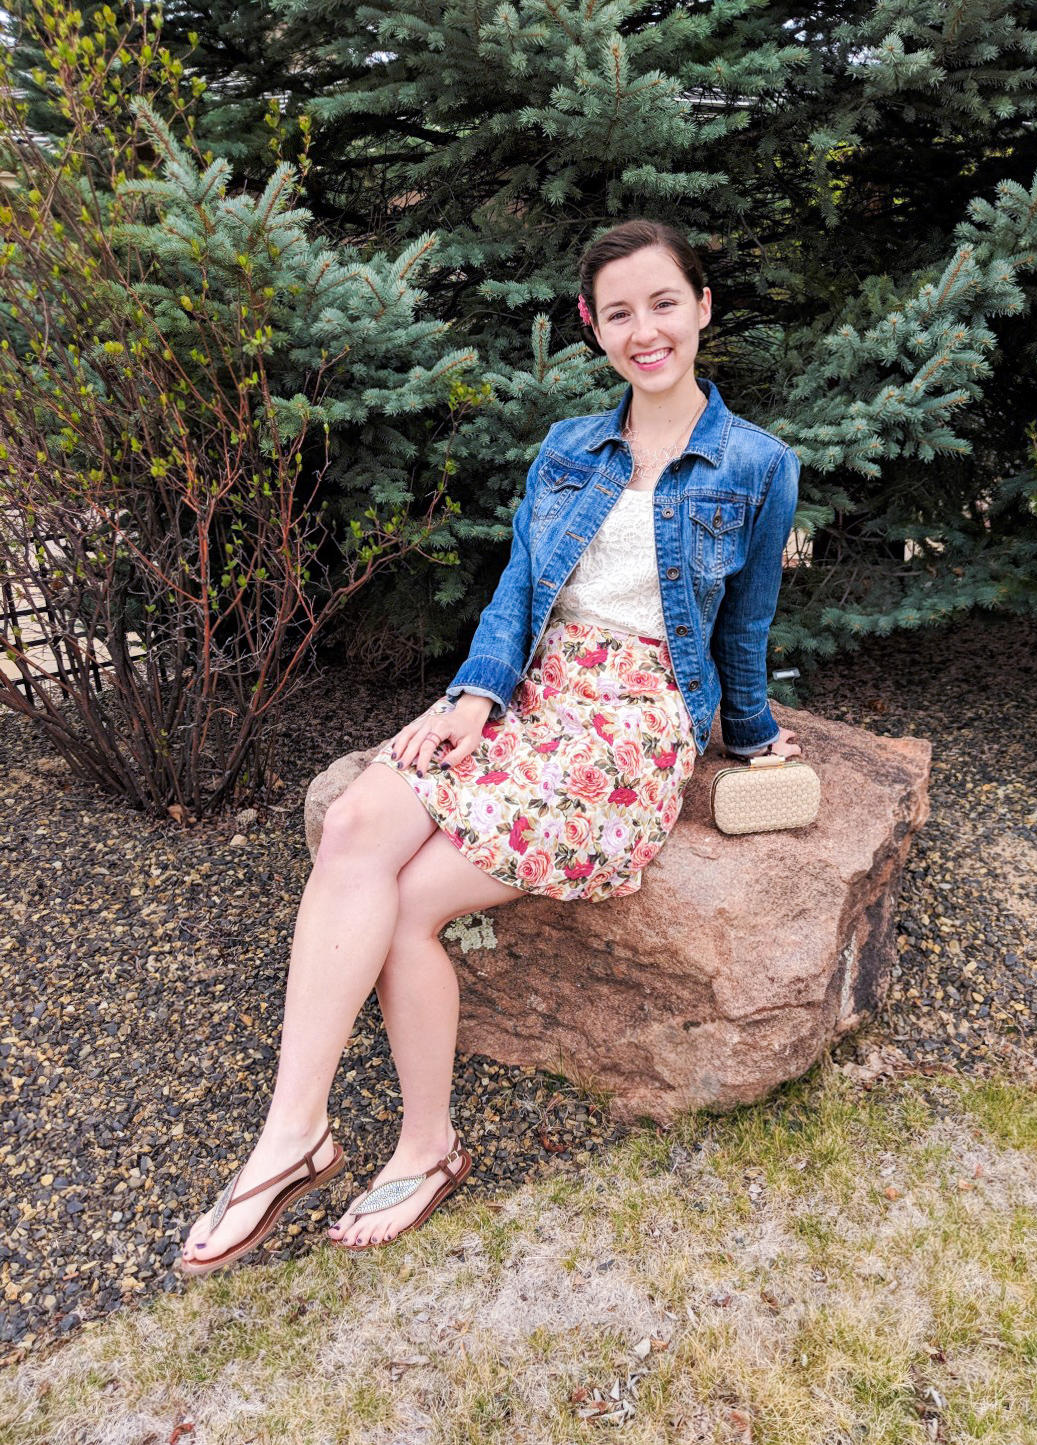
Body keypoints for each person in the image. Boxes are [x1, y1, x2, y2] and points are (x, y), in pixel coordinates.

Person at [178, 218, 802, 1275]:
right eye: (617, 312)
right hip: (535, 685)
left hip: (632, 718)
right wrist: (473, 691)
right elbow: (519, 588)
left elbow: (743, 627)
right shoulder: (569, 447)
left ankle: (424, 1146)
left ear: (702, 305)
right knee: (358, 822)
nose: (642, 330)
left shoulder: (757, 462)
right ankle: (296, 1136)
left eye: (663, 303)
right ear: (589, 326)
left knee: (414, 900)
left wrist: (751, 737)